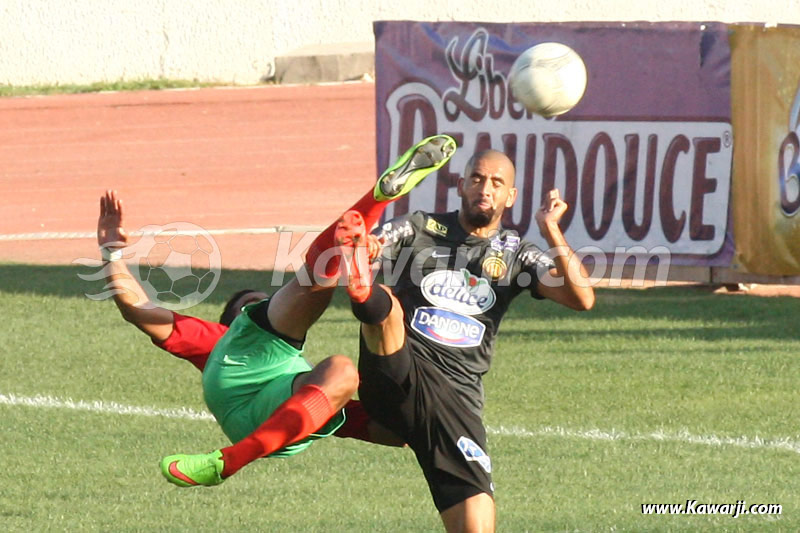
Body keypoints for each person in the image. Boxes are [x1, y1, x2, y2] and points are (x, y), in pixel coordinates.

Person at [94, 133, 457, 487]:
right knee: (311, 285)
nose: (258, 306)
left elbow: (394, 434)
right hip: (238, 387)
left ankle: (369, 214)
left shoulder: (297, 375)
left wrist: (418, 406)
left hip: (279, 420)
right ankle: (370, 208)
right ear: (231, 323)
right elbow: (137, 308)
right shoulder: (216, 341)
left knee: (343, 373)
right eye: (249, 307)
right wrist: (111, 253)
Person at [341, 149, 595, 532]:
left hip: (457, 399)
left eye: (497, 183)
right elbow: (377, 241)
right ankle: (365, 295)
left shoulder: (517, 254)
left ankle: (330, 412)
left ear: (511, 196)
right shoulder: (419, 227)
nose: (485, 188)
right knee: (387, 308)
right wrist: (369, 248)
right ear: (461, 185)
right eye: (477, 178)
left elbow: (582, 298)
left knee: (476, 524)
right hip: (402, 366)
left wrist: (551, 230)